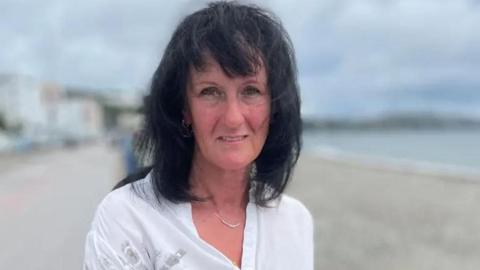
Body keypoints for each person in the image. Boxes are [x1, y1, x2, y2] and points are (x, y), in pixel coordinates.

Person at [83, 1, 313, 269]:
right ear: (184, 109)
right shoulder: (129, 217)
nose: (233, 118)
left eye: (251, 91)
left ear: (275, 106)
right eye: (210, 92)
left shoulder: (294, 221)